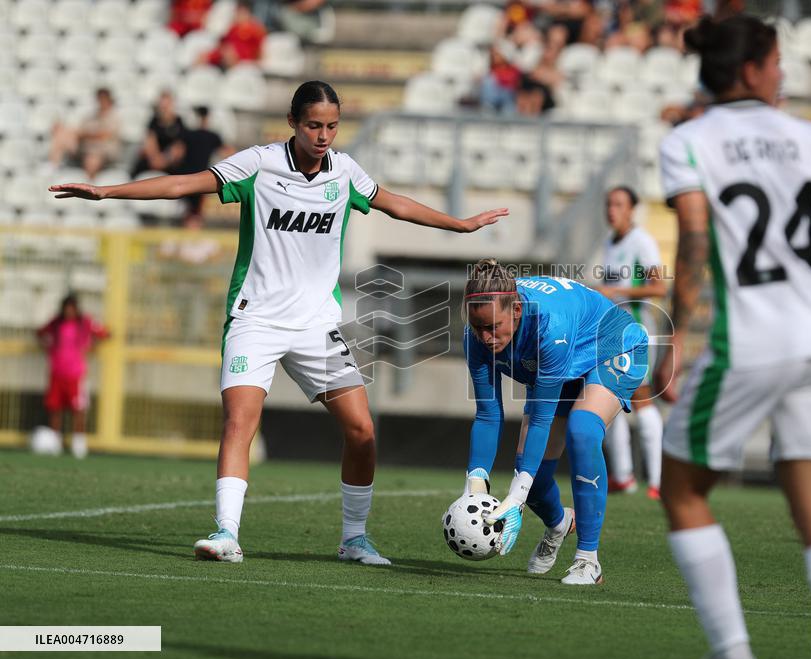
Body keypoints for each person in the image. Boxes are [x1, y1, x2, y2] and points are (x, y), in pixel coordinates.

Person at [50, 80, 508, 566]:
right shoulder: (258, 164)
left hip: (315, 327)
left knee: (362, 430)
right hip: (256, 321)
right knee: (239, 423)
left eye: (332, 126)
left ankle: (354, 540)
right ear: (292, 122)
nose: (323, 135)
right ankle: (226, 533)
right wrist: (108, 191)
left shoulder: (345, 172)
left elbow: (395, 203)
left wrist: (461, 224)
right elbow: (183, 184)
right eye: (313, 125)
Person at [656, 15, 811, 659]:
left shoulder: (688, 139)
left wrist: (673, 338)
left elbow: (693, 240)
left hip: (753, 340)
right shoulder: (808, 135)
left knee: (682, 489)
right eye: (774, 61)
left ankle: (733, 655)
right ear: (749, 70)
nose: (782, 72)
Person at [463, 260, 649, 585]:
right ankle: (560, 524)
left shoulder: (549, 327)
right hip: (567, 358)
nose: (486, 337)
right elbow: (488, 415)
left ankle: (588, 560)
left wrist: (516, 498)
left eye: (493, 326)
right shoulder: (475, 339)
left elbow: (541, 420)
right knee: (532, 476)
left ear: (516, 310)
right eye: (478, 327)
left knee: (583, 430)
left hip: (611, 342)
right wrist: (474, 486)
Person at [595, 185, 666, 499]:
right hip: (613, 331)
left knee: (641, 399)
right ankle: (623, 476)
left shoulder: (642, 241)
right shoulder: (609, 243)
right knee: (611, 398)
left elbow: (659, 287)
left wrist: (618, 292)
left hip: (637, 330)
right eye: (609, 204)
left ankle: (659, 480)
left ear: (631, 209)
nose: (612, 210)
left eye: (619, 204)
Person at [36, 294, 110, 459]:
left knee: (78, 410)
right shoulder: (55, 323)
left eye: (72, 308)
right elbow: (40, 333)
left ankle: (78, 444)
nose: (69, 311)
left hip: (76, 375)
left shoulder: (85, 322)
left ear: (76, 309)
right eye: (66, 308)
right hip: (56, 373)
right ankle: (55, 443)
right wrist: (47, 347)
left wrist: (92, 347)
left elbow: (105, 334)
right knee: (55, 409)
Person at [48, 88, 122, 180]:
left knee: (92, 159)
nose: (100, 101)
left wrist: (83, 135)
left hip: (103, 151)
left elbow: (103, 135)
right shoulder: (93, 115)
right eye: (99, 98)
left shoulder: (114, 115)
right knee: (62, 135)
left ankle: (90, 182)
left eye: (103, 98)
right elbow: (80, 130)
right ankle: (53, 166)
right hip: (86, 147)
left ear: (108, 99)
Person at [178, 106, 233, 225]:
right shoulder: (211, 136)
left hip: (186, 174)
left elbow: (177, 153)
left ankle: (189, 226)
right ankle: (194, 226)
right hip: (202, 176)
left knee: (189, 209)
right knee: (196, 211)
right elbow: (228, 153)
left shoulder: (188, 134)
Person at [131, 91, 186, 178]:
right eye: (162, 105)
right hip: (153, 159)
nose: (164, 108)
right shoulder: (153, 121)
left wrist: (165, 160)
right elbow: (150, 142)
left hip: (170, 162)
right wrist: (155, 159)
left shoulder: (179, 121)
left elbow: (179, 147)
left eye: (167, 105)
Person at [200, 0, 267, 70]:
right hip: (227, 62)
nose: (239, 16)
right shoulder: (232, 28)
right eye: (238, 12)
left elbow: (259, 53)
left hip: (245, 65)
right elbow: (222, 46)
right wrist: (209, 56)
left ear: (248, 13)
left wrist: (238, 57)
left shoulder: (256, 29)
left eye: (242, 12)